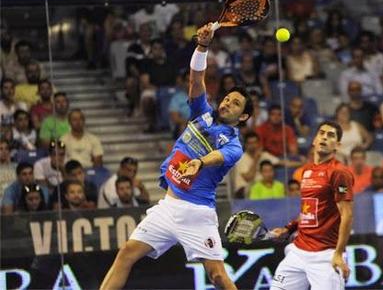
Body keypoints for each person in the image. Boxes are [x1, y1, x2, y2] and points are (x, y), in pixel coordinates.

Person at [100, 23, 253, 290]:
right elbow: (196, 79)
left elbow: (219, 156)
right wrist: (202, 46)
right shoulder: (201, 112)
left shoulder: (234, 144)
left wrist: (201, 161)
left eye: (236, 104)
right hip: (168, 207)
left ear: (244, 117)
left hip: (197, 214)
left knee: (218, 276)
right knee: (126, 253)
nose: (228, 103)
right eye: (228, 99)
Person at [269, 120, 354, 290]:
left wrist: (338, 253)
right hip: (298, 252)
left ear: (337, 145)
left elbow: (347, 215)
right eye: (321, 133)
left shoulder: (339, 173)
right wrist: (289, 228)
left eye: (330, 136)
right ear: (314, 140)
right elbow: (309, 211)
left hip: (325, 256)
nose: (324, 138)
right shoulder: (306, 171)